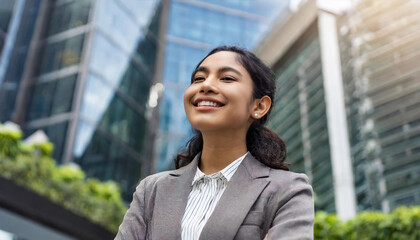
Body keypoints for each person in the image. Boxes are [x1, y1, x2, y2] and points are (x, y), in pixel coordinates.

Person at [115, 46, 314, 240]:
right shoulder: (152, 190)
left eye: (227, 78)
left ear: (259, 106)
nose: (205, 86)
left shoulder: (287, 190)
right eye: (198, 79)